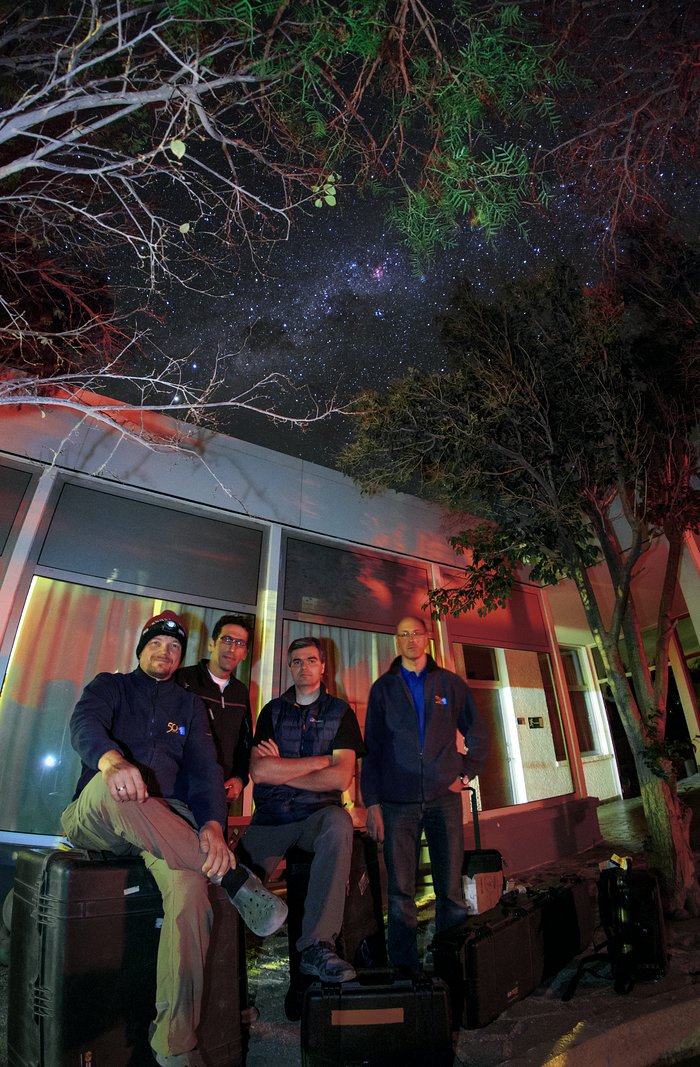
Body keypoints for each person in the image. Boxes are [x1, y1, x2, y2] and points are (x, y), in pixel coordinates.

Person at [60, 610, 288, 1067]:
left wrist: (212, 825)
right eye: (157, 644)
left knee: (189, 892)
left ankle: (175, 1046)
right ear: (141, 647)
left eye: (174, 648)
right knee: (115, 787)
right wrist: (110, 761)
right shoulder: (111, 686)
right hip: (98, 816)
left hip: (159, 829)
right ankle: (237, 882)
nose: (165, 653)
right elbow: (83, 725)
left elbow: (206, 773)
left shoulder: (188, 707)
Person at [361, 615, 488, 972]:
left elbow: (479, 735)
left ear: (427, 639)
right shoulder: (382, 689)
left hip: (443, 800)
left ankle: (454, 964)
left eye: (416, 633)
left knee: (450, 890)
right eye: (403, 634)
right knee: (401, 893)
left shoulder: (449, 684)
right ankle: (404, 972)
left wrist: (463, 772)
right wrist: (371, 802)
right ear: (396, 642)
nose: (410, 639)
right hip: (396, 803)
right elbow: (371, 750)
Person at [236, 636, 364, 983]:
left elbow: (340, 779)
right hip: (272, 817)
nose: (303, 667)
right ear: (289, 667)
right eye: (296, 662)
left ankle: (318, 946)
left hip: (317, 817)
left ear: (323, 666)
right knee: (231, 884)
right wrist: (320, 762)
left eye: (310, 660)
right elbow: (260, 773)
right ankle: (224, 963)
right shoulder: (272, 712)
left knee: (339, 822)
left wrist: (284, 769)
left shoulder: (341, 713)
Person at [176, 615, 253, 806]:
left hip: (218, 795)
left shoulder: (240, 692)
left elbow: (244, 744)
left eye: (240, 643)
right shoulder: (184, 680)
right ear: (212, 644)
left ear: (245, 653)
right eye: (226, 639)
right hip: (178, 791)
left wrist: (240, 779)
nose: (232, 648)